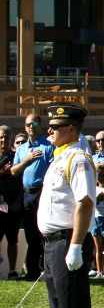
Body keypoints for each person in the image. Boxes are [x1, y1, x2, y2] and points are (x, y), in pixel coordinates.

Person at [37, 103, 97, 308]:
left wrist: (75, 247)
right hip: (52, 244)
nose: (50, 130)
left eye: (55, 126)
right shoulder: (58, 157)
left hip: (66, 242)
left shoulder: (78, 158)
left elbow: (85, 201)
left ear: (70, 129)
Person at [11, 113, 55, 280]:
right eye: (29, 124)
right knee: (31, 234)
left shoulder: (48, 147)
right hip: (27, 194)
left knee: (44, 232)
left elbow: (53, 171)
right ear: (25, 127)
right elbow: (14, 172)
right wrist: (27, 160)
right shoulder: (22, 149)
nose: (31, 127)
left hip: (42, 192)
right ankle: (32, 272)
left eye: (35, 124)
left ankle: (48, 271)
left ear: (41, 126)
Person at [0, 125, 24, 279]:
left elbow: (24, 181)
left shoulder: (17, 158)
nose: (3, 140)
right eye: (1, 137)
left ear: (11, 139)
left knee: (12, 239)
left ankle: (12, 271)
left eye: (6, 137)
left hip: (13, 205)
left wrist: (18, 200)